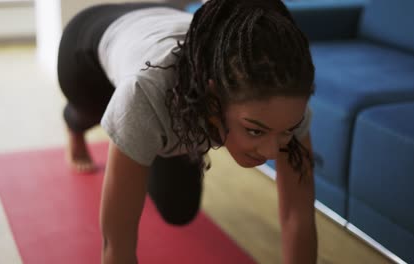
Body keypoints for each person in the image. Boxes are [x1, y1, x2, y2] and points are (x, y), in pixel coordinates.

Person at [57, 0, 317, 263]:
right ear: (213, 99)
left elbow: (299, 214)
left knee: (178, 210)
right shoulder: (145, 95)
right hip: (86, 51)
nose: (272, 151)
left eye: (287, 131)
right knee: (95, 112)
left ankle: (143, 137)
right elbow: (116, 242)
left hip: (163, 37)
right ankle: (74, 123)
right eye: (255, 131)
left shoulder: (286, 105)